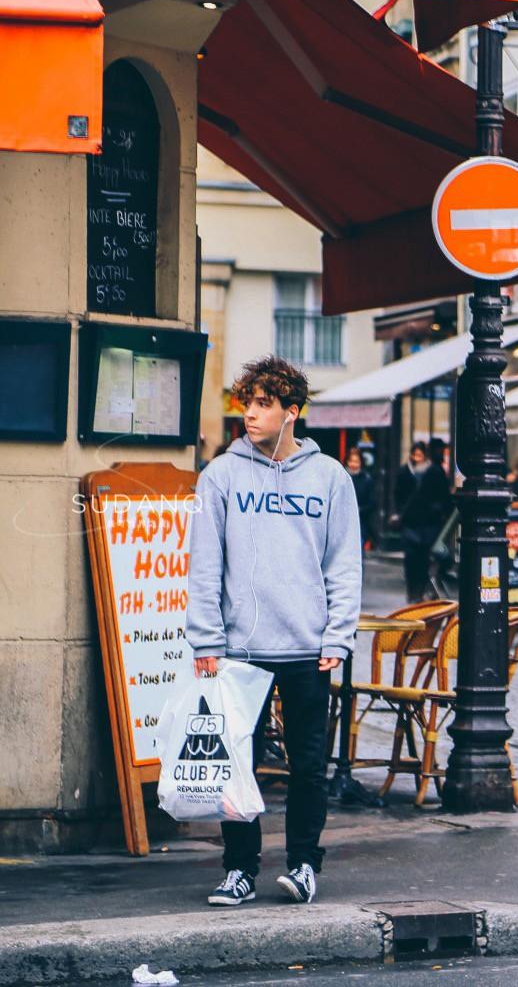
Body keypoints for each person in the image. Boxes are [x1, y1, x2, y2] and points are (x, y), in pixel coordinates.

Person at [187, 355, 362, 906]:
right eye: (248, 403)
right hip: (239, 648)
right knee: (236, 764)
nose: (251, 415)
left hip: (309, 648)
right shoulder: (221, 475)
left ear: (293, 412)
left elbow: (344, 564)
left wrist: (338, 637)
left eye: (264, 404)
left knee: (309, 764)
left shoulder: (330, 478)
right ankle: (240, 869)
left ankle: (305, 865)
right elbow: (204, 564)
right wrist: (207, 640)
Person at [394, 441, 451, 602]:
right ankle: (417, 595)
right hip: (420, 525)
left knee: (417, 563)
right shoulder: (426, 472)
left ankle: (416, 595)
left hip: (419, 524)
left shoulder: (432, 471)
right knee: (419, 562)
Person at [344, 449, 378, 550]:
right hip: (342, 522)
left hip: (360, 523)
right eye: (351, 461)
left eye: (356, 462)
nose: (353, 464)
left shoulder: (366, 479)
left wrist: (359, 510)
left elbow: (372, 503)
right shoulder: (340, 476)